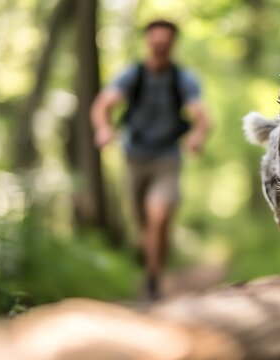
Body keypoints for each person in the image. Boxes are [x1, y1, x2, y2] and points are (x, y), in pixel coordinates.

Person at [91, 19, 211, 300]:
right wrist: (104, 128)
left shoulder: (183, 79)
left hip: (167, 157)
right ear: (148, 42)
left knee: (158, 216)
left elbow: (201, 115)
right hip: (134, 157)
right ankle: (154, 266)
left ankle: (153, 279)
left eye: (165, 41)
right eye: (155, 40)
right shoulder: (132, 75)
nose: (160, 45)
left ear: (172, 44)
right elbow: (103, 105)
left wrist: (197, 135)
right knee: (144, 225)